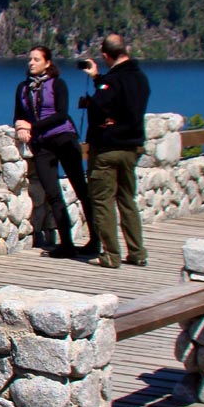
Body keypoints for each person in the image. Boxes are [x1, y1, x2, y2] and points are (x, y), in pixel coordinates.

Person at [13, 46, 98, 258]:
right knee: (52, 194)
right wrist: (20, 127)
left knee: (81, 189)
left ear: (47, 63)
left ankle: (95, 240)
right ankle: (66, 244)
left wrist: (32, 126)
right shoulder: (22, 88)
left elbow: (61, 114)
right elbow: (18, 115)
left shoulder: (58, 84)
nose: (31, 63)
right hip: (42, 145)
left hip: (64, 139)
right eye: (30, 59)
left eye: (36, 59)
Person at [79, 34, 151, 269]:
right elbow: (121, 101)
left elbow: (101, 104)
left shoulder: (113, 80)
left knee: (102, 200)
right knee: (127, 199)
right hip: (132, 147)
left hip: (107, 149)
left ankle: (111, 254)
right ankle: (137, 252)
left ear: (106, 55)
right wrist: (98, 78)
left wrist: (93, 102)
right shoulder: (140, 78)